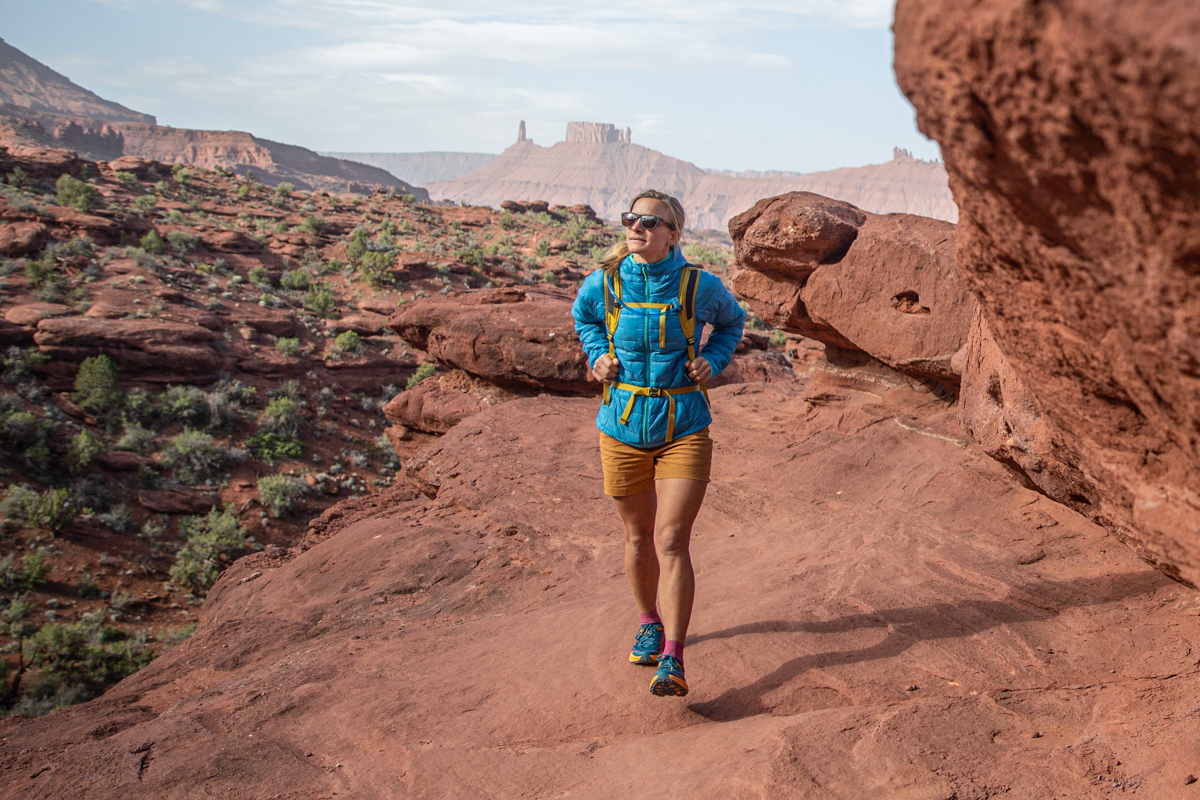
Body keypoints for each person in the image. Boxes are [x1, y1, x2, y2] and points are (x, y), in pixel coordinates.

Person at [572, 189, 745, 697]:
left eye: (650, 221)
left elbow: (732, 322)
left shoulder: (699, 286)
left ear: (673, 234)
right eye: (631, 218)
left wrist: (713, 359)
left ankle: (673, 656)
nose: (637, 227)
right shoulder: (604, 283)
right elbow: (585, 319)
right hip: (622, 426)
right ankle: (648, 620)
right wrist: (597, 355)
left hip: (683, 424)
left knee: (670, 539)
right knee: (636, 537)